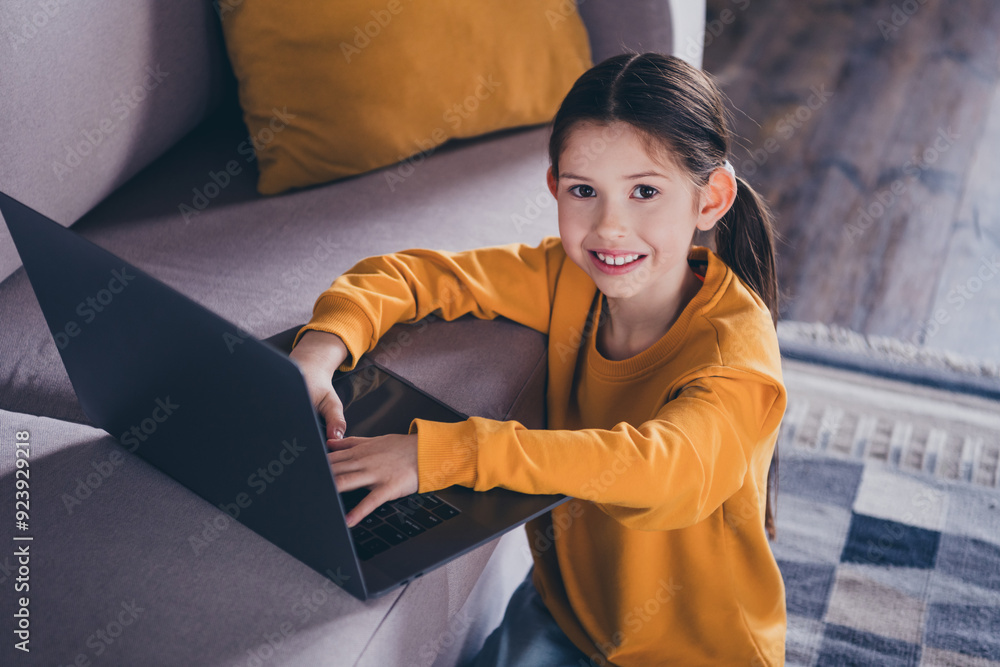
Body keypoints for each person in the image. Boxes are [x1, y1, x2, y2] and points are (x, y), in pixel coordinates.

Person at [288, 52, 787, 667]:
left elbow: (667, 473)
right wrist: (318, 351)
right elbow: (411, 275)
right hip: (563, 611)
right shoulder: (565, 277)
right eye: (584, 191)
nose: (610, 227)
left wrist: (440, 454)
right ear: (555, 187)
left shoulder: (736, 354)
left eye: (645, 192)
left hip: (697, 654)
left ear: (709, 200)